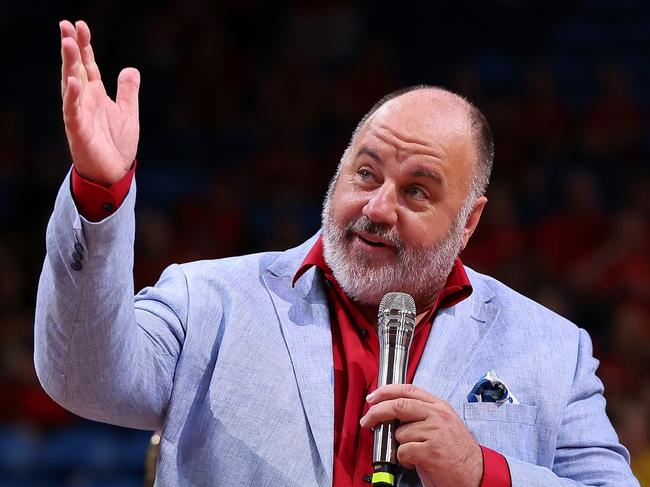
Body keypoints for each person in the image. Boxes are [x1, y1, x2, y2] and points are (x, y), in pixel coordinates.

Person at [34, 19, 639, 487]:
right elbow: (82, 380)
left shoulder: (552, 349)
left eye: (417, 192)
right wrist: (99, 194)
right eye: (366, 173)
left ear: (469, 221)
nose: (377, 207)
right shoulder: (207, 301)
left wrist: (484, 473)